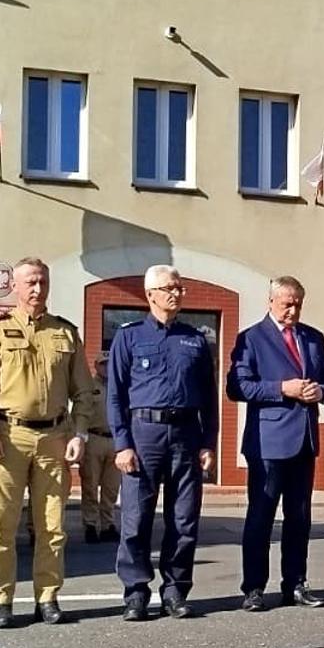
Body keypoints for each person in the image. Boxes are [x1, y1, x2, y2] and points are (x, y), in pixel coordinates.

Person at [0, 257, 94, 628]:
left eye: (43, 282)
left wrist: (80, 433)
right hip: (8, 437)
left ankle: (48, 597)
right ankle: (1, 600)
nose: (38, 289)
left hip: (54, 438)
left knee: (52, 526)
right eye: (31, 283)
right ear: (16, 288)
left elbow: (84, 392)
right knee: (1, 526)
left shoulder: (65, 333)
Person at [107, 264, 216, 621]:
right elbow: (116, 395)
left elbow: (209, 397)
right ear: (150, 294)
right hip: (143, 435)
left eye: (180, 288)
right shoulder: (129, 336)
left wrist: (208, 443)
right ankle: (136, 592)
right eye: (170, 288)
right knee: (136, 519)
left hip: (185, 434)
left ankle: (175, 590)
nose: (177, 293)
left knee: (184, 519)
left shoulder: (195, 339)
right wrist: (122, 443)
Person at [228, 276, 324, 611]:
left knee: (299, 517)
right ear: (271, 301)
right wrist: (281, 389)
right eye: (287, 303)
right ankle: (254, 588)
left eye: (298, 304)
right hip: (268, 443)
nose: (293, 310)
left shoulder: (313, 338)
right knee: (261, 516)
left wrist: (322, 391)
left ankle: (295, 584)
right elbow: (238, 387)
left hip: (304, 439)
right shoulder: (252, 338)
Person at [77, 355, 121, 544]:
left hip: (114, 440)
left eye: (109, 363)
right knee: (90, 485)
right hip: (93, 439)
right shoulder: (89, 387)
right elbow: (80, 413)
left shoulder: (119, 387)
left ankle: (107, 524)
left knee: (111, 487)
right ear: (96, 366)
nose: (106, 367)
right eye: (103, 364)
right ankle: (90, 525)